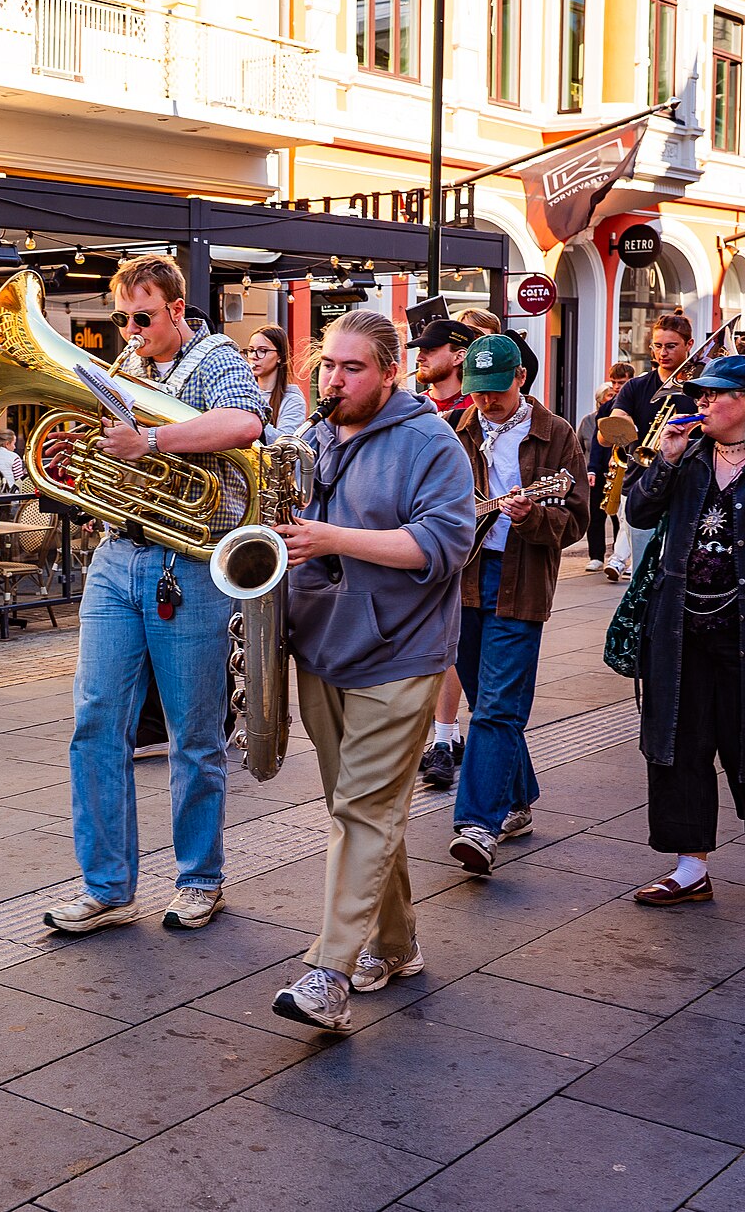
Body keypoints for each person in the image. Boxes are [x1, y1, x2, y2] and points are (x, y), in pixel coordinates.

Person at [41, 253, 268, 936]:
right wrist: (88, 474)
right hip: (120, 554)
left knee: (194, 732)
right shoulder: (127, 369)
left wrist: (151, 442)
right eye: (124, 317)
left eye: (143, 316)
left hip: (190, 561)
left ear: (175, 308)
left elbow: (246, 424)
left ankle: (201, 878)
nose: (131, 330)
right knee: (94, 721)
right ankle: (107, 887)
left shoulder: (218, 356)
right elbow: (114, 452)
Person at [269, 310, 473, 1030]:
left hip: (402, 651)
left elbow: (446, 544)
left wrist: (332, 538)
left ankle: (329, 973)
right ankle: (395, 941)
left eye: (353, 368)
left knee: (361, 809)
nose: (335, 380)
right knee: (360, 810)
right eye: (329, 365)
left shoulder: (431, 441)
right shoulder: (312, 437)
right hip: (323, 643)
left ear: (392, 370)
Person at [625, 356, 745, 906]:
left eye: (713, 395)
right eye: (699, 395)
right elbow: (637, 513)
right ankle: (690, 868)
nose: (700, 403)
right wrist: (663, 461)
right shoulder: (687, 458)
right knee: (678, 745)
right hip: (679, 628)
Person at [446, 336, 588, 875]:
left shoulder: (557, 436)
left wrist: (531, 517)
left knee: (498, 707)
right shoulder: (458, 430)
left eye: (496, 392)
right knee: (485, 697)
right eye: (476, 392)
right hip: (464, 578)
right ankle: (519, 796)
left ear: (521, 378)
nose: (485, 402)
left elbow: (576, 522)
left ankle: (478, 824)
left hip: (521, 577)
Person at [405, 318, 482, 787]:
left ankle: (444, 737)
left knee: (451, 642)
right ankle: (436, 734)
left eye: (430, 350)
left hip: (465, 544)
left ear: (457, 355)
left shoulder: (479, 408)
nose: (421, 357)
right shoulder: (416, 407)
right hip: (412, 539)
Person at [608, 312, 698, 581]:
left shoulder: (698, 387)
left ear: (688, 345)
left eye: (671, 346)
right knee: (641, 571)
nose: (663, 352)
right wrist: (619, 425)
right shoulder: (636, 387)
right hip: (639, 482)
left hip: (685, 484)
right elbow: (614, 424)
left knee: (679, 569)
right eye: (657, 346)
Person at [581, 361, 636, 573]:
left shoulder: (637, 398)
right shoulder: (607, 407)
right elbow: (596, 441)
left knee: (624, 515)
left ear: (631, 379)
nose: (616, 387)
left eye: (621, 382)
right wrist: (592, 468)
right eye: (613, 382)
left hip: (631, 467)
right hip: (607, 466)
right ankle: (599, 557)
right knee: (598, 513)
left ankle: (624, 558)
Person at [405, 318, 482, 415]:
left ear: (458, 357)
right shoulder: (414, 406)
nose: (419, 358)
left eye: (430, 350)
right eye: (420, 350)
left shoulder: (479, 406)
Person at [248, 325, 307, 441]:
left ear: (280, 357)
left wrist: (248, 417)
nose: (253, 357)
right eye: (250, 350)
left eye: (262, 351)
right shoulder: (246, 393)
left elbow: (284, 442)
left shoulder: (293, 400)